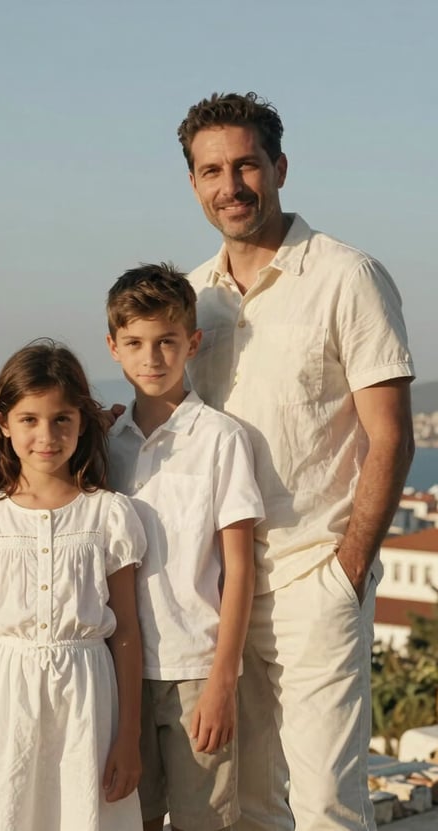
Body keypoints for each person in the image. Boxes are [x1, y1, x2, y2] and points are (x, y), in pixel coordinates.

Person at [178, 92, 415, 831]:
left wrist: (348, 569)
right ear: (194, 183)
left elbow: (392, 436)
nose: (231, 185)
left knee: (326, 806)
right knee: (245, 805)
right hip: (220, 590)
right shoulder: (191, 299)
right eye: (212, 170)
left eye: (247, 164)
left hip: (317, 575)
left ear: (279, 167)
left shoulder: (348, 276)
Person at [0, 341, 146, 831]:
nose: (46, 435)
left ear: (81, 423)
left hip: (88, 700)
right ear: (4, 424)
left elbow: (127, 633)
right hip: (3, 701)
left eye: (61, 419)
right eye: (29, 419)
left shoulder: (108, 515)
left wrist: (129, 737)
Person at [105, 263, 265, 831]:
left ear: (192, 344)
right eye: (136, 343)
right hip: (115, 667)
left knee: (206, 821)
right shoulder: (103, 444)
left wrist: (224, 679)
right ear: (114, 348)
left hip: (198, 666)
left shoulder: (222, 439)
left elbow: (240, 568)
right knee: (131, 817)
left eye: (167, 342)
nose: (152, 358)